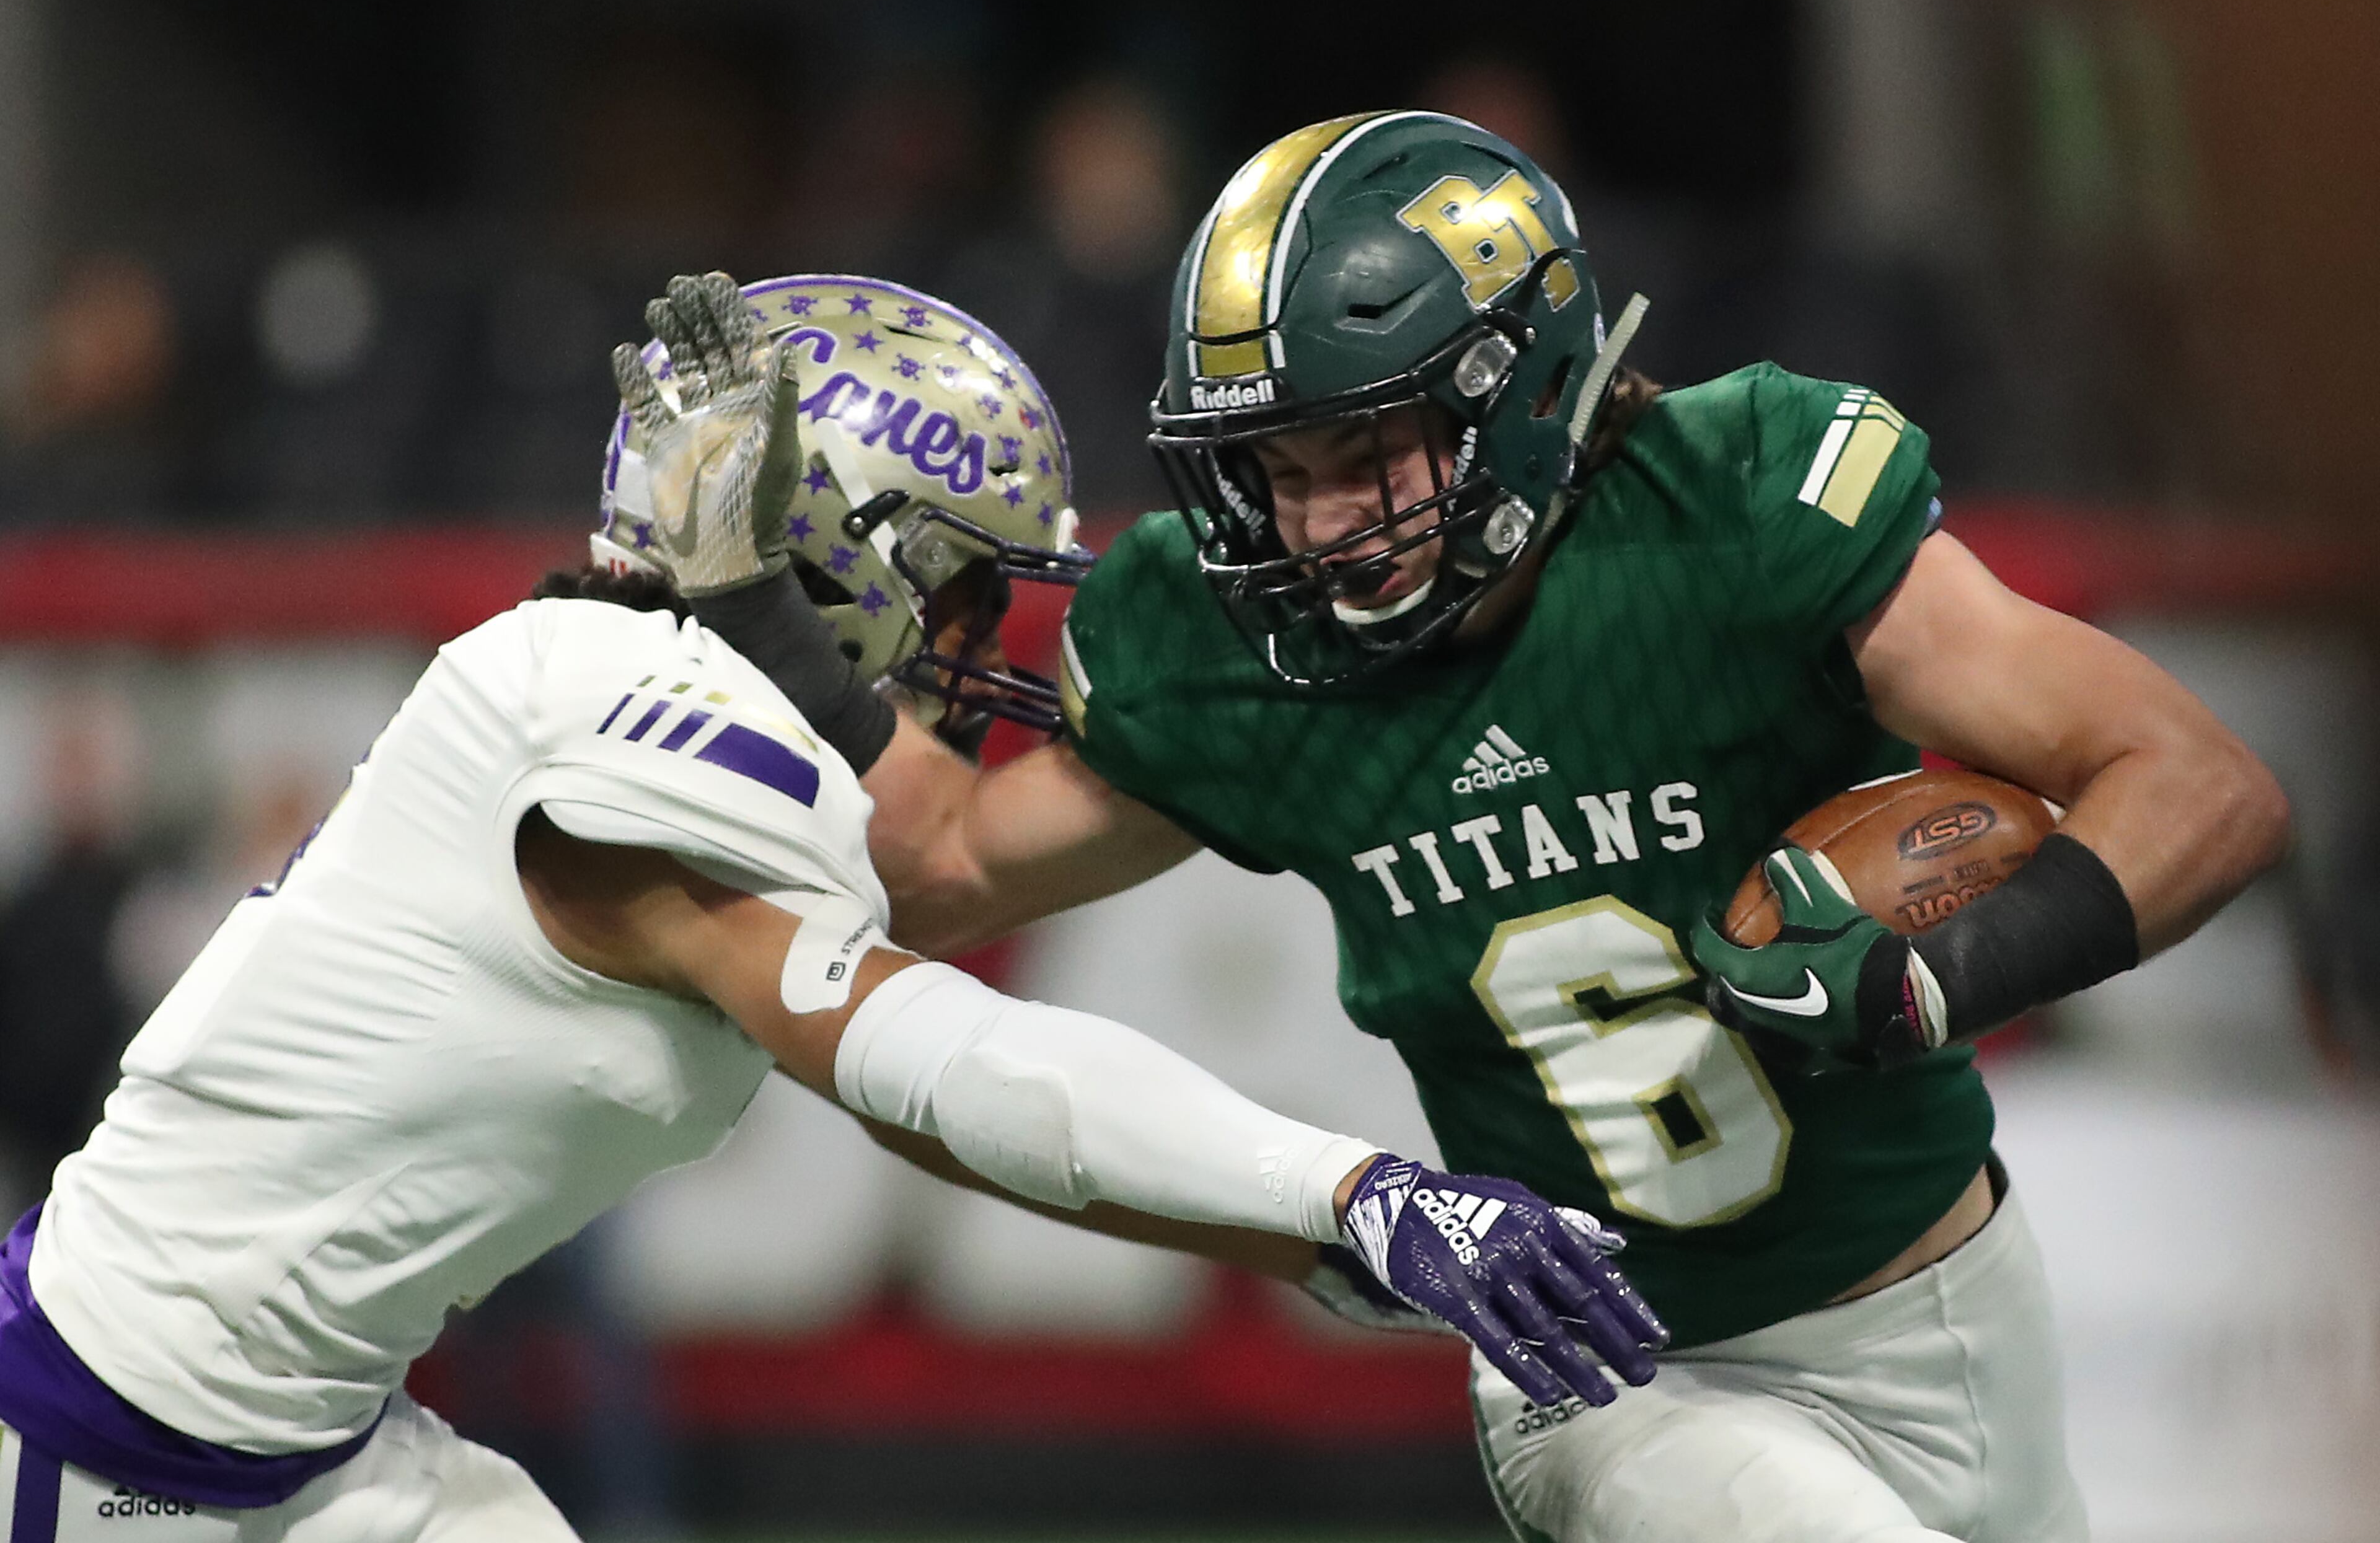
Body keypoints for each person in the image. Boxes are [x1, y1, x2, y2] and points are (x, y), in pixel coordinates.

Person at [652, 116, 2291, 1543]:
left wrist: (1940, 975)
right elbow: (935, 871)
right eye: (1277, 467)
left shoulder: (1737, 504)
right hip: (1614, 1373)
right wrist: (759, 603)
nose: (1320, 521)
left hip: (1953, 1309)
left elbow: (2202, 783)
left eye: (1366, 450)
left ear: (1520, 394)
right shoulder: (1234, 648)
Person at [0, 271, 1665, 1542]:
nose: (968, 639)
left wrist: (1318, 1223)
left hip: (311, 1446)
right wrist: (1352, 1188)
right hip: (95, 1447)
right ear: (838, 553)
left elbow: (934, 943)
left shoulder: (637, 708)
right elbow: (934, 1063)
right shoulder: (598, 691)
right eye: (955, 582)